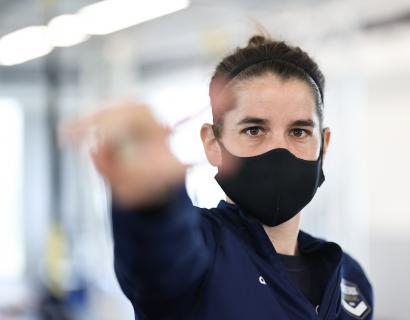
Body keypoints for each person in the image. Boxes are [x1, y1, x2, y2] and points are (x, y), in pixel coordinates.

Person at [65, 35, 373, 319]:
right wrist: (155, 200)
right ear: (213, 144)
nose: (280, 148)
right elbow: (161, 253)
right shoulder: (199, 255)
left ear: (325, 145)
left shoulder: (350, 279)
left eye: (299, 131)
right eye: (254, 130)